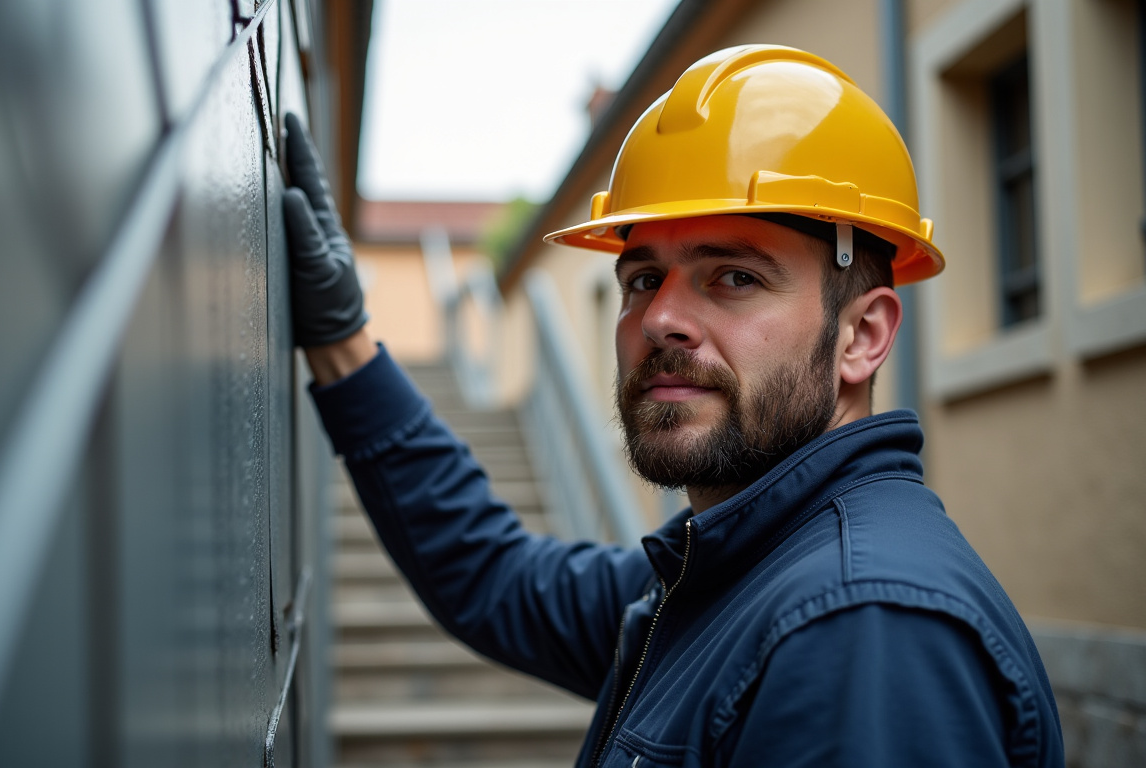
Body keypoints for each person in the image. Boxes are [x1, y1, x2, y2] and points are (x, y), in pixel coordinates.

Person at [282, 45, 1064, 767]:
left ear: (862, 336)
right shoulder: (725, 568)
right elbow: (496, 577)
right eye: (642, 279)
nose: (659, 319)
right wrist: (346, 343)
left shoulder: (860, 629)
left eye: (734, 277)